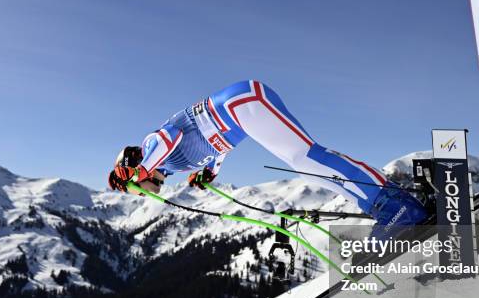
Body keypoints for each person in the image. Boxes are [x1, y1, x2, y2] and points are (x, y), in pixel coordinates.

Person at [108, 80, 428, 229]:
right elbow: (217, 144)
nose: (140, 193)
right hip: (243, 112)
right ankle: (387, 207)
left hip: (241, 104)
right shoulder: (174, 164)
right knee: (305, 162)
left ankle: (395, 206)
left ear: (133, 171)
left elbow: (168, 135)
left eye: (133, 187)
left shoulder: (153, 148)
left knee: (306, 156)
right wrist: (213, 170)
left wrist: (140, 170)